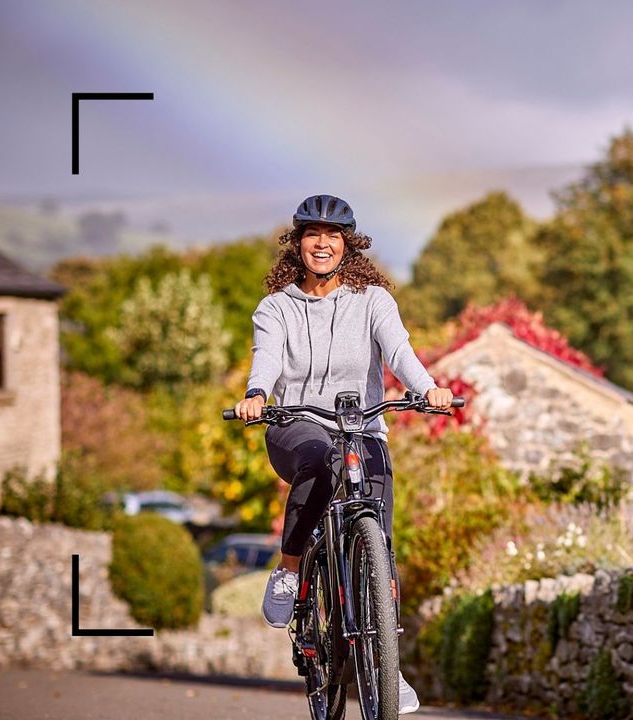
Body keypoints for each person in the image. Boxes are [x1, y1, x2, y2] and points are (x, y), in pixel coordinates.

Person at [234, 194, 449, 715]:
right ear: (298, 243)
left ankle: (386, 668)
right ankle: (290, 570)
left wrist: (429, 388)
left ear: (348, 245)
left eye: (333, 236)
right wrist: (258, 395)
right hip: (297, 425)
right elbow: (265, 360)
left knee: (383, 542)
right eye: (313, 235)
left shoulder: (374, 300)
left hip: (363, 427)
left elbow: (399, 351)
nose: (323, 244)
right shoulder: (277, 308)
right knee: (317, 459)